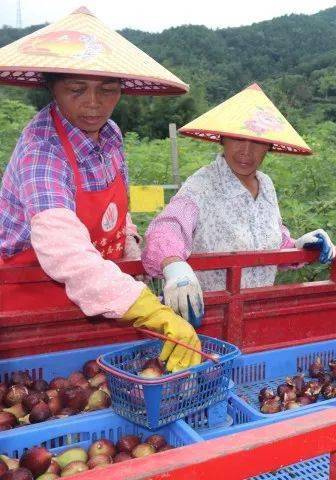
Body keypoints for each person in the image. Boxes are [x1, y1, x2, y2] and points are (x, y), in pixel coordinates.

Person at [0, 8, 200, 372]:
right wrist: (152, 311)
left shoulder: (110, 135)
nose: (94, 103)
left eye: (107, 90)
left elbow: (118, 214)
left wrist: (130, 247)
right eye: (77, 90)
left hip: (104, 297)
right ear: (52, 86)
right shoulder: (42, 151)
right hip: (34, 305)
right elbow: (66, 255)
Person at [142, 83, 336, 322]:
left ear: (269, 146)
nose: (246, 151)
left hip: (258, 312)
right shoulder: (203, 185)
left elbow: (270, 240)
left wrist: (298, 247)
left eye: (257, 142)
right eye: (237, 139)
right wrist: (173, 265)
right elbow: (167, 227)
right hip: (210, 316)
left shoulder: (266, 186)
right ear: (222, 139)